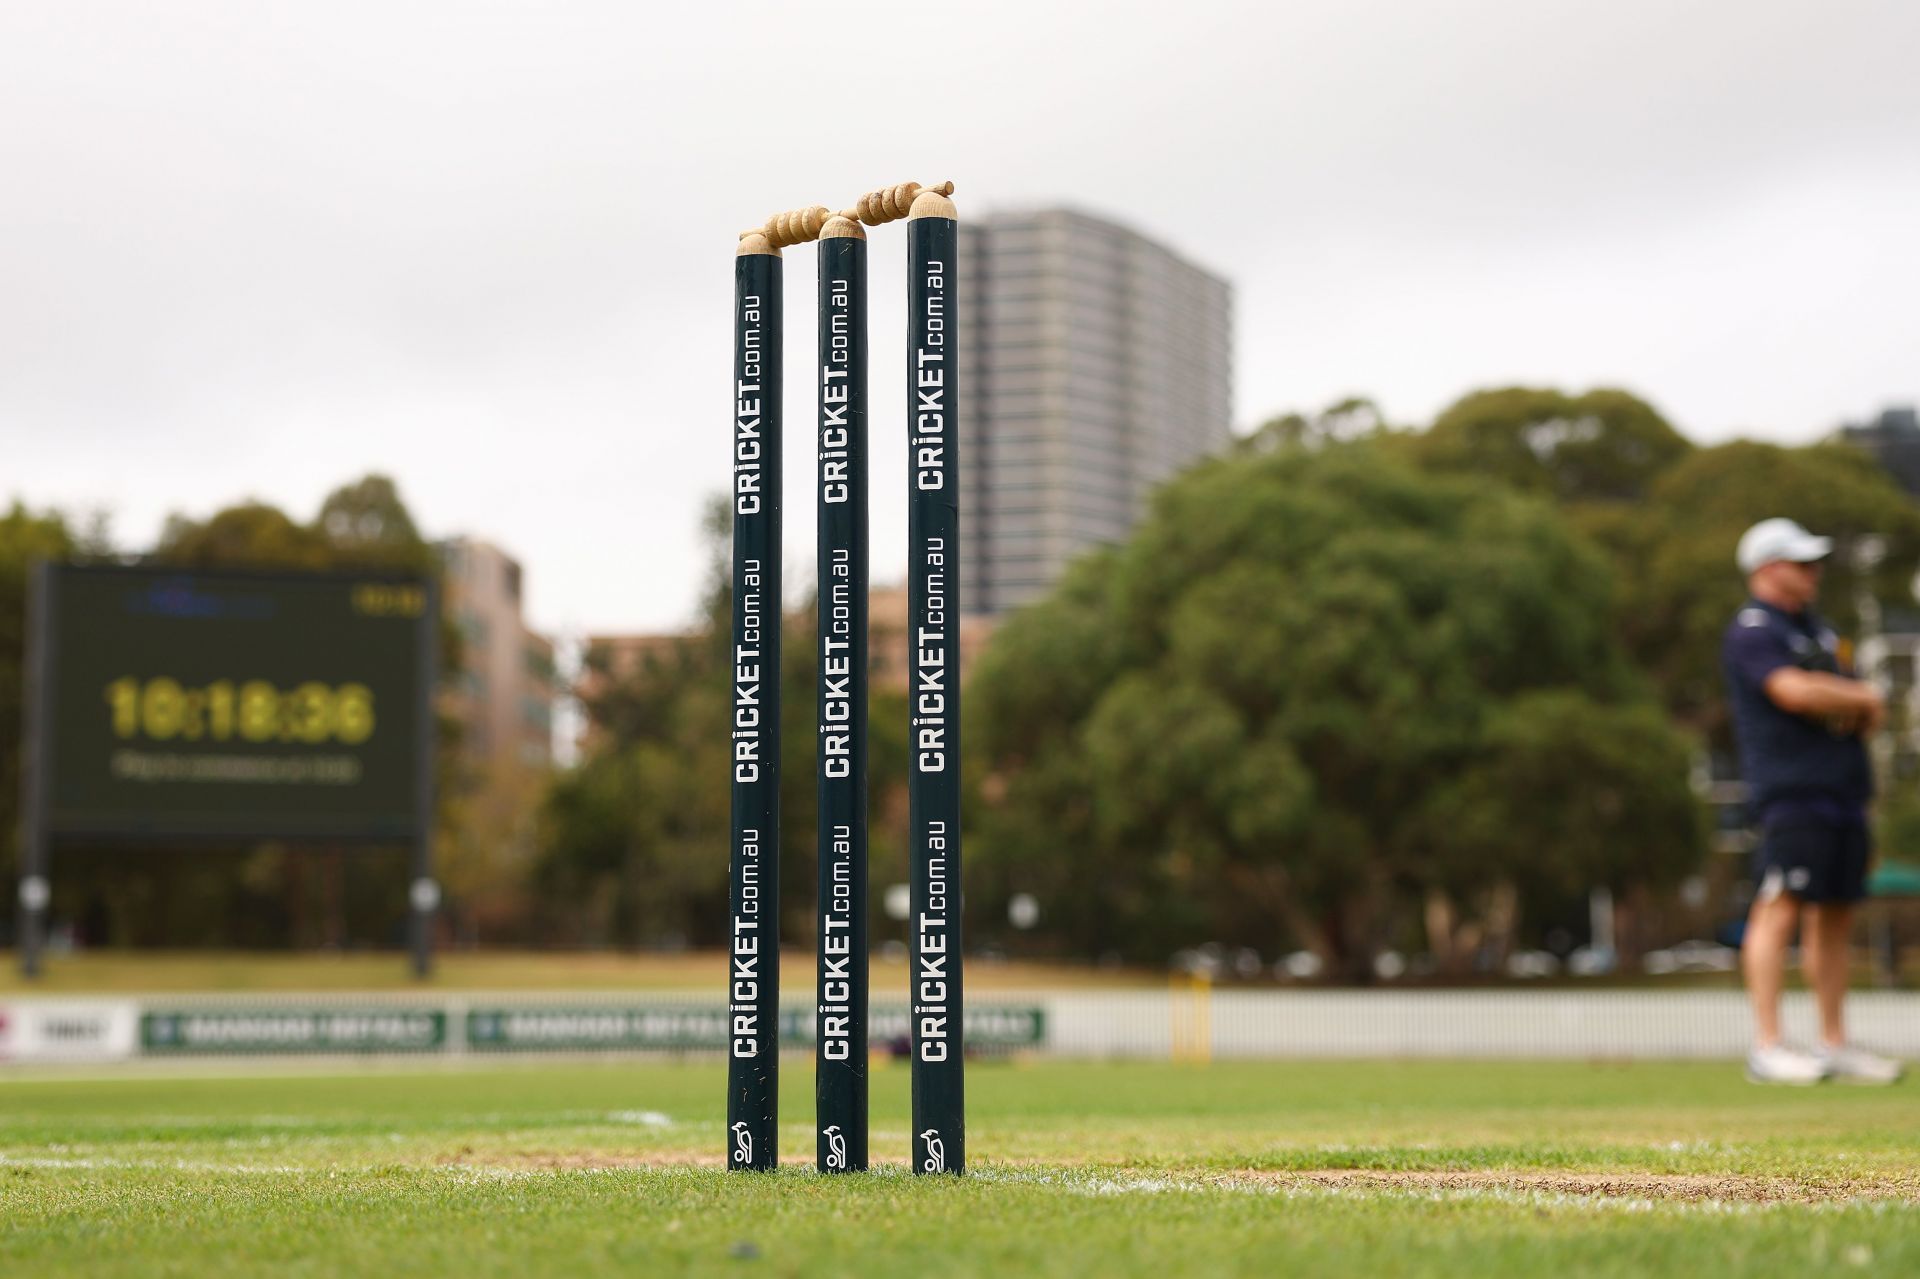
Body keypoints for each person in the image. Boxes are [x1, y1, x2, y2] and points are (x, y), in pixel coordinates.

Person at [1723, 518, 1902, 1085]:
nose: (1813, 572)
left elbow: (1862, 714)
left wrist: (1851, 700)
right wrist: (1858, 695)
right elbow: (1793, 692)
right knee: (1780, 906)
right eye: (1801, 563)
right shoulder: (1753, 630)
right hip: (1791, 793)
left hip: (1844, 792)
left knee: (1836, 914)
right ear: (1767, 569)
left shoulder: (1822, 634)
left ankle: (1833, 1044)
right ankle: (1768, 1046)